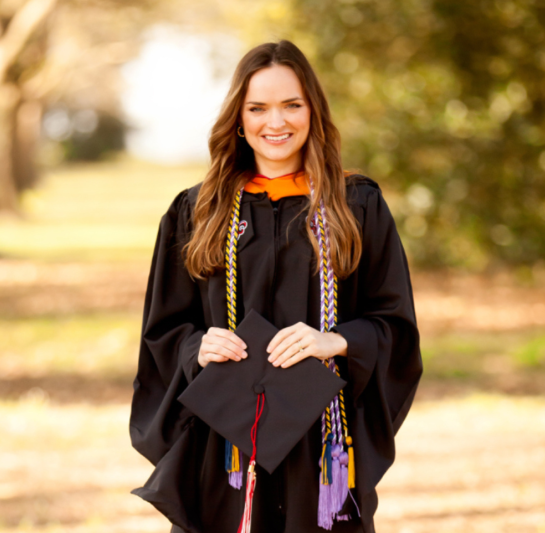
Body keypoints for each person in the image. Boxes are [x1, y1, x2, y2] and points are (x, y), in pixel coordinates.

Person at [129, 40, 422, 533]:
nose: (276, 122)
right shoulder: (198, 211)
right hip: (224, 444)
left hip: (323, 442)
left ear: (313, 111)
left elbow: (395, 323)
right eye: (258, 108)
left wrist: (337, 339)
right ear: (238, 119)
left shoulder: (356, 205)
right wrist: (198, 345)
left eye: (292, 105)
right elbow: (163, 329)